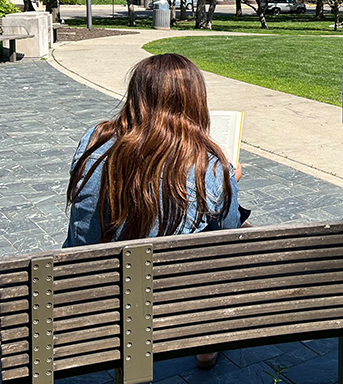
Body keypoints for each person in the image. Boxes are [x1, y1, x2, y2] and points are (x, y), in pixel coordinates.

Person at [64, 53, 243, 369]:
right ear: (195, 103)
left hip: (89, 294)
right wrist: (229, 182)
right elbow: (227, 239)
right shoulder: (210, 167)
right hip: (171, 305)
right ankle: (205, 343)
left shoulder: (94, 139)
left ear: (136, 96)